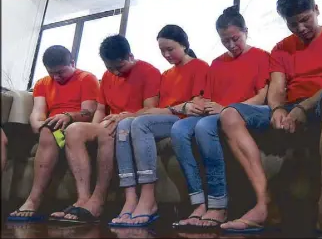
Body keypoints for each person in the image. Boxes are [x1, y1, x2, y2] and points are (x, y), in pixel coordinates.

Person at [219, 0, 322, 235]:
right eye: (292, 24)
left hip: (321, 102)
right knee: (229, 114)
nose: (300, 28)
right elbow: (277, 87)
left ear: (316, 10)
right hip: (288, 106)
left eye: (305, 20)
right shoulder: (281, 48)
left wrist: (302, 108)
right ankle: (264, 204)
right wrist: (277, 109)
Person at [171, 6, 270, 231]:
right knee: (178, 128)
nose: (231, 45)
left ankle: (218, 204)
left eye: (235, 39)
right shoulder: (216, 63)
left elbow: (262, 97)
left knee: (205, 126)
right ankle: (198, 203)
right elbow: (209, 96)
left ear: (246, 31)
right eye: (225, 41)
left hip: (238, 114)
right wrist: (201, 104)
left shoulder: (261, 56)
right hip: (214, 113)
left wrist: (225, 109)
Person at [50, 35, 160, 223]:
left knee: (107, 131)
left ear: (131, 56)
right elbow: (101, 109)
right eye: (110, 68)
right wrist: (94, 128)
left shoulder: (149, 72)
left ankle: (98, 200)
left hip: (131, 123)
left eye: (120, 67)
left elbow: (151, 108)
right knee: (73, 130)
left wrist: (123, 117)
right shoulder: (108, 76)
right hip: (109, 121)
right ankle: (82, 198)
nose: (115, 72)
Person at [109, 25, 209, 227]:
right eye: (162, 51)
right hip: (167, 117)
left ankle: (148, 197)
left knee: (140, 123)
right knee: (124, 125)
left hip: (184, 121)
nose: (166, 54)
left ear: (184, 44)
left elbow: (195, 107)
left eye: (170, 49)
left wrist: (171, 109)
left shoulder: (200, 66)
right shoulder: (166, 75)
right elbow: (160, 108)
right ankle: (130, 198)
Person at [7, 45, 99, 222]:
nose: (57, 77)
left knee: (52, 131)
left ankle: (34, 200)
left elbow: (89, 111)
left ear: (72, 63)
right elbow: (38, 111)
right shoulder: (42, 83)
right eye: (52, 73)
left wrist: (69, 116)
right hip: (52, 129)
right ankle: (33, 199)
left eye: (61, 72)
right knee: (47, 130)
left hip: (77, 126)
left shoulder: (87, 78)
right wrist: (38, 123)